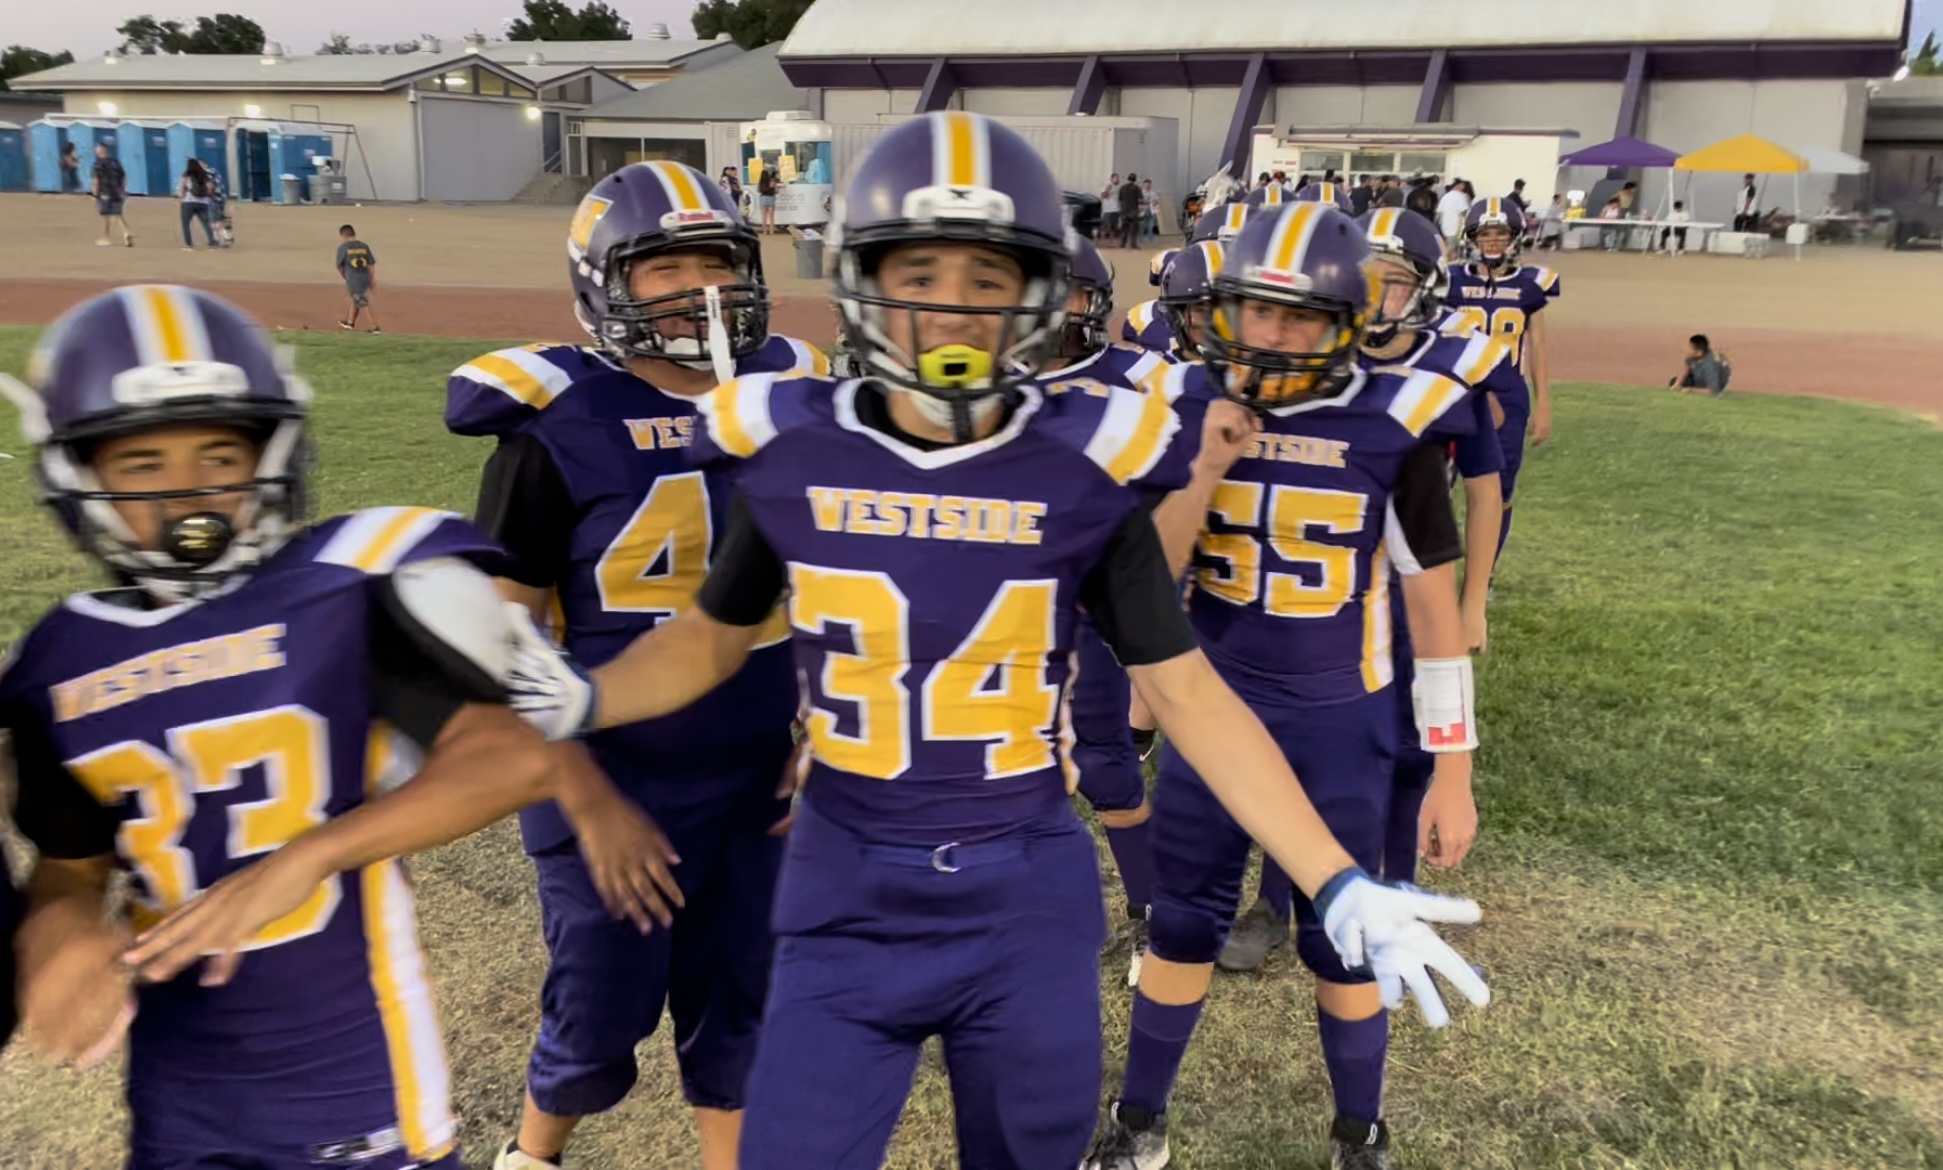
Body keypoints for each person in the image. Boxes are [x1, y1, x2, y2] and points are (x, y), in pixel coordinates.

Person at [502, 111, 1488, 1170]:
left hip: (1022, 890)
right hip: (843, 882)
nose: (950, 307)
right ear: (863, 278)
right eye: (918, 272)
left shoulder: (1087, 462)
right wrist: (588, 698)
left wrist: (1333, 879)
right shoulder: (789, 442)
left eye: (987, 277)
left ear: (1038, 293)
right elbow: (705, 641)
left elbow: (1189, 695)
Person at [0, 284, 676, 1170]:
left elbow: (508, 760)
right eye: (143, 464)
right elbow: (70, 869)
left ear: (273, 452)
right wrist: (62, 938)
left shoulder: (344, 589)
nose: (188, 491)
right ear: (80, 475)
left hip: (360, 1089)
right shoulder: (60, 660)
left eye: (218, 453)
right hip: (177, 1100)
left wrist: (306, 858)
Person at [1085, 201, 1485, 1170]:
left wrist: (1452, 772)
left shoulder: (1390, 425)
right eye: (1256, 309)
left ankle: (1359, 1131)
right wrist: (1206, 464)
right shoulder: (1184, 407)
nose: (1271, 334)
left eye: (1299, 316)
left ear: (1347, 323)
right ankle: (1140, 1121)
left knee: (1344, 940)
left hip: (1339, 723)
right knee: (1181, 924)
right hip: (1214, 719)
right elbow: (1147, 581)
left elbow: (1433, 619)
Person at [444, 160, 828, 1170]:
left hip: (754, 777)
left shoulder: (791, 397)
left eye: (719, 262)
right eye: (666, 268)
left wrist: (829, 726)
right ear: (604, 284)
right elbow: (504, 646)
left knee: (744, 1004)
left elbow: (837, 585)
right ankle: (532, 1156)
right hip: (612, 775)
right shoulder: (556, 425)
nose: (700, 289)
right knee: (598, 1010)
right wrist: (587, 803)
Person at [1221, 206, 1509, 975]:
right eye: (1365, 281)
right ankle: (1273, 900)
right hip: (1321, 600)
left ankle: (1396, 893)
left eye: (1393, 283)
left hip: (1408, 592)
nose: (1377, 298)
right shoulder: (1287, 369)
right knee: (1290, 748)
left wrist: (1472, 600)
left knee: (1407, 751)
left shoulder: (1446, 379)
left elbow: (1484, 492)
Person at [1447, 198, 1560, 577]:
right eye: (1485, 233)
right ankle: (1429, 573)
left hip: (1509, 394)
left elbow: (1538, 345)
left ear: (1515, 238)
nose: (1493, 240)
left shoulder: (1531, 284)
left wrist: (1544, 404)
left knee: (1500, 489)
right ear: (1472, 237)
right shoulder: (1451, 280)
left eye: (1500, 233)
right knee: (1436, 485)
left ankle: (1484, 573)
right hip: (1455, 393)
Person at [336, 225, 382, 333]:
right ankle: (350, 322)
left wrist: (345, 277)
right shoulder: (364, 246)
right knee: (355, 299)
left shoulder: (343, 247)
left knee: (362, 301)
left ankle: (375, 327)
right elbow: (371, 264)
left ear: (343, 236)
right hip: (364, 277)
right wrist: (372, 279)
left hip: (353, 278)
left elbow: (339, 266)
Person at [92, 143, 132, 248]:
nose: (96, 152)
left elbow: (96, 180)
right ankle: (126, 232)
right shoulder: (115, 162)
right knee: (117, 214)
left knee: (105, 216)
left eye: (97, 150)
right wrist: (123, 190)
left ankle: (106, 238)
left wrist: (95, 194)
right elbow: (123, 177)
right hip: (117, 192)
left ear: (101, 151)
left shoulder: (97, 164)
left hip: (105, 192)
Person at [178, 159, 219, 251]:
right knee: (206, 223)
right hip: (203, 202)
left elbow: (181, 189)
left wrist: (182, 198)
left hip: (189, 201)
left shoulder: (186, 175)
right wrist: (208, 196)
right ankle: (213, 243)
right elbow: (210, 187)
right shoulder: (204, 175)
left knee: (186, 223)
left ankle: (189, 245)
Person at [1437, 180, 1472, 248]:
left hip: (1445, 228)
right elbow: (1464, 212)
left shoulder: (1445, 196)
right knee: (1455, 249)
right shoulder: (1461, 196)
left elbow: (1439, 214)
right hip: (1456, 228)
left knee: (1448, 248)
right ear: (1460, 186)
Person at [1119, 172, 1144, 249]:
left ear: (1128, 179)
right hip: (1133, 211)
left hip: (1124, 211)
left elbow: (1120, 199)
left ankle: (1122, 243)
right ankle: (1133, 244)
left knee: (1125, 227)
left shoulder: (1122, 188)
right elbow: (1140, 200)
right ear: (1135, 179)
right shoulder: (1137, 188)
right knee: (1134, 228)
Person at [756, 166, 778, 235]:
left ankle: (765, 231)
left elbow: (758, 190)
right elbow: (776, 191)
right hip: (771, 197)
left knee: (764, 217)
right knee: (771, 217)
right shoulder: (772, 181)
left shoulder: (760, 182)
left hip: (763, 198)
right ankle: (771, 231)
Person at [1142, 177, 1160, 243]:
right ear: (1144, 185)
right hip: (1143, 210)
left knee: (1151, 223)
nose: (1147, 186)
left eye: (1149, 185)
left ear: (1150, 185)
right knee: (1143, 224)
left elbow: (1156, 200)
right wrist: (1147, 202)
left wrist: (1154, 203)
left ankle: (1150, 237)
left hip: (1152, 210)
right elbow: (1139, 201)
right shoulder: (1141, 193)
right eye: (1146, 185)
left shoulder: (1153, 193)